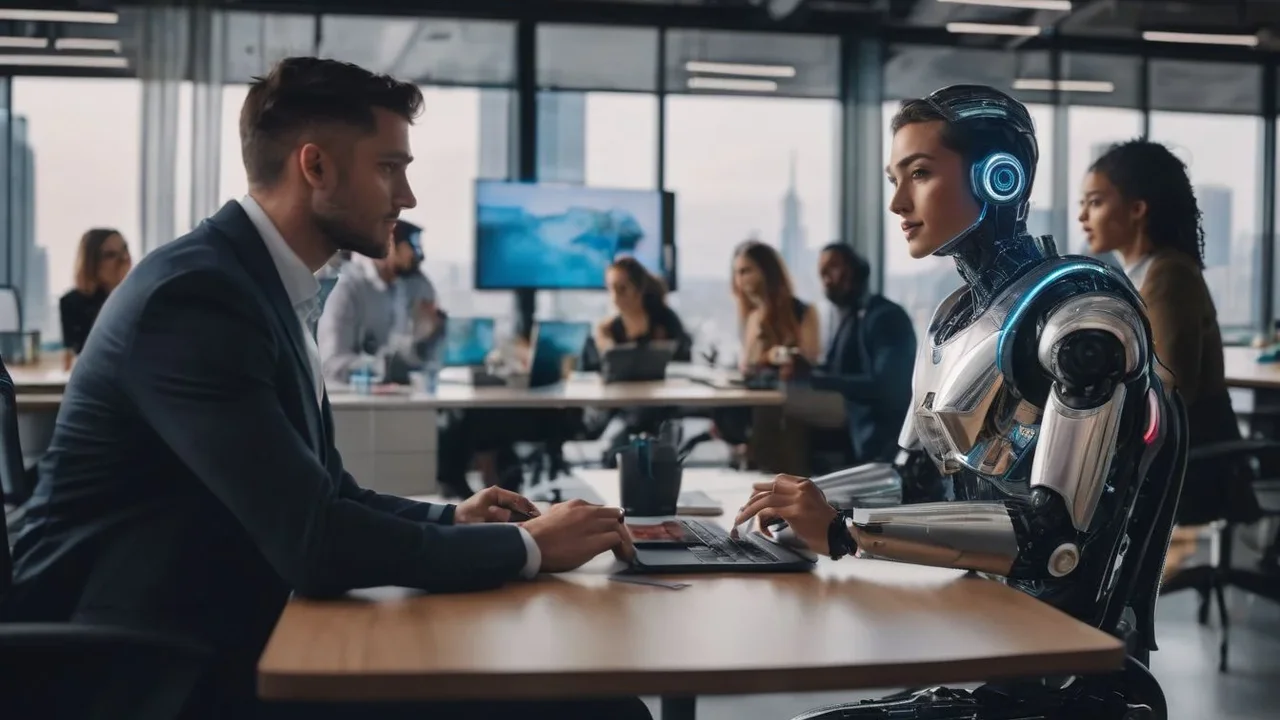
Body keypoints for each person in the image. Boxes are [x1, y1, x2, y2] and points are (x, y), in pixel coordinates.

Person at [1, 57, 647, 720]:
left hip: (225, 625)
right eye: (389, 167)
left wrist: (451, 517)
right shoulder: (195, 300)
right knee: (597, 709)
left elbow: (327, 492)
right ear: (315, 167)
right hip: (147, 668)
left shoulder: (258, 287)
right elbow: (314, 542)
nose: (408, 197)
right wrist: (530, 546)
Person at [733, 85, 1178, 717]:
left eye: (919, 174)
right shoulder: (954, 318)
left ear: (998, 176)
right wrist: (810, 492)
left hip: (1057, 672)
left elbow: (1052, 539)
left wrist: (842, 532)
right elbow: (914, 475)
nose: (897, 202)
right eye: (895, 177)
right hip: (981, 630)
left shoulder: (1081, 320)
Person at [1081, 139, 1259, 527]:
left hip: (1186, 468)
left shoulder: (1167, 275)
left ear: (1137, 210)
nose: (1083, 216)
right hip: (1167, 456)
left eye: (1094, 202)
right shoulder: (1142, 275)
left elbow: (1167, 391)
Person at [803, 243, 916, 464]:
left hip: (884, 445)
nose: (826, 278)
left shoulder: (887, 317)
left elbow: (886, 386)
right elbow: (837, 369)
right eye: (821, 272)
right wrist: (804, 370)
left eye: (833, 268)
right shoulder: (854, 316)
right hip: (859, 435)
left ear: (858, 270)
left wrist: (817, 380)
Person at [317, 218, 444, 385]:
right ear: (390, 244)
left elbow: (420, 357)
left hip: (398, 396)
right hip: (350, 400)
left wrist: (428, 334)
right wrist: (382, 366)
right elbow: (331, 364)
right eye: (411, 247)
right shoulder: (347, 288)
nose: (417, 256)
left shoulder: (411, 286)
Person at [731, 240, 820, 372]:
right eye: (736, 273)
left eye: (746, 271)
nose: (739, 280)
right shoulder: (753, 317)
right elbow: (748, 366)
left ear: (766, 271)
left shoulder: (803, 311)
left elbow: (809, 359)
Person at [58, 227, 132, 368]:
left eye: (125, 249)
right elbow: (78, 352)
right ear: (92, 263)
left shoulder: (140, 297)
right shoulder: (72, 303)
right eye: (111, 255)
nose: (124, 258)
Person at [594, 256, 690, 358]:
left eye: (622, 289)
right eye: (611, 289)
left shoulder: (666, 321)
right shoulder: (610, 330)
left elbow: (683, 359)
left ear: (639, 290)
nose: (615, 298)